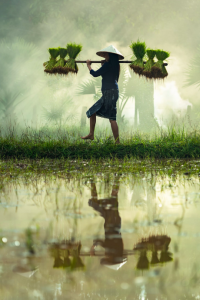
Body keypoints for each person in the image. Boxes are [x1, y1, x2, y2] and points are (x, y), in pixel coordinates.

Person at [81, 45, 124, 144]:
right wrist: (103, 65)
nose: (104, 55)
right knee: (97, 113)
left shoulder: (108, 65)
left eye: (105, 54)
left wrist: (88, 65)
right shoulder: (114, 65)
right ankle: (92, 134)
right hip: (112, 92)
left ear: (110, 55)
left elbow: (95, 74)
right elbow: (106, 73)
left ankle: (116, 142)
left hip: (109, 92)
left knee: (110, 117)